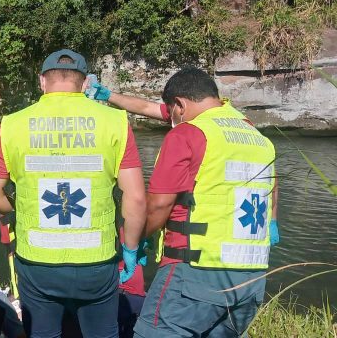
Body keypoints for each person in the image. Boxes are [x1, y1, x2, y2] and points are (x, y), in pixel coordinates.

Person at [89, 68, 279, 337]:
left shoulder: (188, 134)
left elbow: (158, 205)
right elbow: (273, 185)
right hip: (252, 276)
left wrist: (136, 240)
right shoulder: (255, 135)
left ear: (180, 104)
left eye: (172, 113)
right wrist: (272, 223)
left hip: (196, 273)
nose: (171, 121)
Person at [0, 49, 147, 338]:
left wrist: (20, 212)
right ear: (85, 84)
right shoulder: (116, 122)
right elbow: (135, 198)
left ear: (42, 82)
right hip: (97, 261)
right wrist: (130, 251)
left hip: (37, 262)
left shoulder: (11, 124)